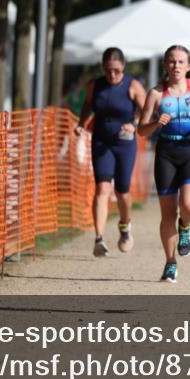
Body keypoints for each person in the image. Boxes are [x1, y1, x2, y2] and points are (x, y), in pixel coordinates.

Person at [137, 46, 190, 283]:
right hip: (166, 155)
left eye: (181, 62)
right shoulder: (156, 93)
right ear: (165, 65)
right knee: (167, 213)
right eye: (172, 62)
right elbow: (141, 129)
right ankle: (170, 263)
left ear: (188, 66)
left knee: (189, 206)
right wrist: (156, 124)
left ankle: (185, 226)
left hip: (189, 152)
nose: (176, 66)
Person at [74, 48, 147, 257]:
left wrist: (134, 124)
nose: (112, 75)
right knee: (102, 189)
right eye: (108, 71)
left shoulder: (133, 86)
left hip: (124, 143)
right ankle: (99, 238)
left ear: (123, 66)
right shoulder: (95, 85)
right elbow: (88, 105)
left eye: (116, 70)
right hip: (101, 141)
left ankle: (125, 228)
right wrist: (81, 123)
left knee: (122, 191)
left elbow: (148, 112)